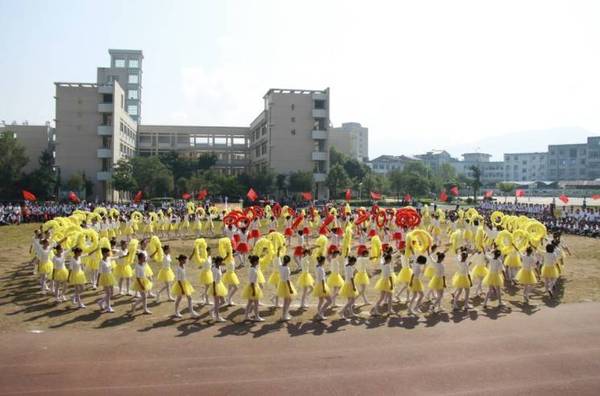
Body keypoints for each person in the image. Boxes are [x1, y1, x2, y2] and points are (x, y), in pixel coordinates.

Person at [242, 255, 264, 322]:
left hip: (252, 287)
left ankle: (246, 316)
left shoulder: (251, 268)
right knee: (256, 303)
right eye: (257, 261)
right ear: (255, 262)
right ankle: (257, 317)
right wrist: (254, 291)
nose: (258, 262)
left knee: (250, 302)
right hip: (253, 287)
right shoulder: (253, 270)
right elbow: (252, 282)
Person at [96, 247, 116, 313]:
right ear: (104, 253)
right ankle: (108, 307)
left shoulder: (109, 258)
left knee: (111, 293)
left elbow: (117, 257)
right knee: (108, 293)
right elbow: (99, 272)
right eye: (108, 252)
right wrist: (97, 281)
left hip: (110, 276)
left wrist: (126, 255)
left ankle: (101, 302)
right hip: (104, 278)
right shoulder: (101, 262)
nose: (109, 253)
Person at [277, 255, 296, 321]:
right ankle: (284, 316)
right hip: (286, 285)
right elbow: (288, 279)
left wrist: (278, 253)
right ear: (288, 261)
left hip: (282, 283)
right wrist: (290, 288)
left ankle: (285, 313)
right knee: (286, 301)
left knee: (289, 299)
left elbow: (278, 258)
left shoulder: (280, 266)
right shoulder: (287, 268)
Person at [339, 256, 359, 320]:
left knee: (349, 300)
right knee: (352, 300)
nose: (354, 264)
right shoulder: (350, 267)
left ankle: (351, 313)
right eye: (354, 262)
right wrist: (353, 286)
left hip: (346, 284)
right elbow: (351, 278)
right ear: (352, 261)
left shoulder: (346, 266)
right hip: (350, 284)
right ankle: (341, 311)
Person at [313, 255, 332, 320]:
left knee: (321, 301)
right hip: (322, 286)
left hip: (318, 285)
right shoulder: (321, 269)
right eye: (324, 261)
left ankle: (320, 314)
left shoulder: (316, 266)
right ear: (322, 261)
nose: (325, 262)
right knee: (330, 301)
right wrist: (324, 288)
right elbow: (322, 279)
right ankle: (321, 312)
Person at [209, 256, 228, 322]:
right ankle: (217, 317)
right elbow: (214, 281)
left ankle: (211, 310)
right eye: (221, 262)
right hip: (215, 286)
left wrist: (223, 272)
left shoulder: (219, 267)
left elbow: (219, 275)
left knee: (223, 301)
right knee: (217, 303)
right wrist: (214, 291)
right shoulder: (214, 269)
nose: (222, 263)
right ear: (218, 262)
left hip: (220, 285)